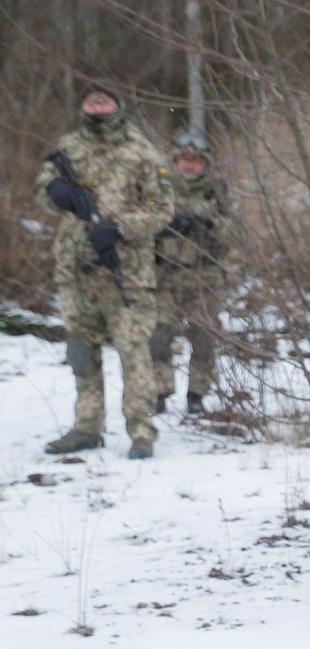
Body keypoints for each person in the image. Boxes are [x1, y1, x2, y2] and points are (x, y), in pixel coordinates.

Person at [34, 84, 172, 459]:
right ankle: (86, 427)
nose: (97, 105)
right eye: (91, 99)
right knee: (81, 350)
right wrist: (55, 192)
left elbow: (163, 209)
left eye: (104, 99)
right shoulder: (69, 147)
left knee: (134, 351)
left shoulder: (141, 150)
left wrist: (121, 228)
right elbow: (44, 188)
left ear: (118, 106)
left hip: (126, 271)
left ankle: (141, 431)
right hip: (76, 269)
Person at [151, 129, 231, 418]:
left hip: (203, 276)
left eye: (196, 161)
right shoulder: (160, 187)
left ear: (205, 163)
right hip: (165, 275)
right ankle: (159, 390)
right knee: (159, 333)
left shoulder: (216, 191)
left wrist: (206, 224)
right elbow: (143, 223)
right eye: (185, 159)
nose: (190, 165)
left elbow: (231, 232)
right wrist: (167, 224)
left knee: (204, 336)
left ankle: (197, 394)